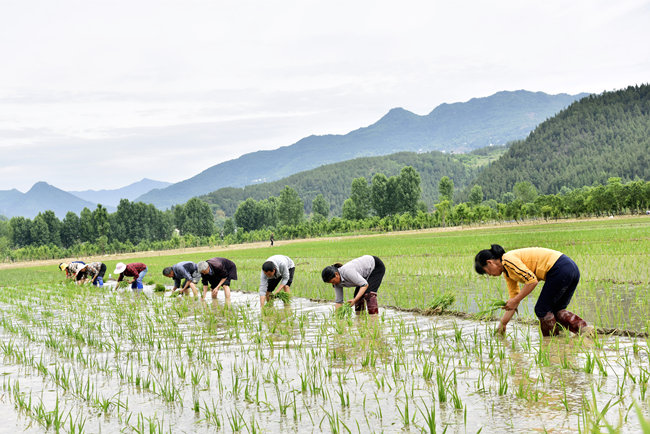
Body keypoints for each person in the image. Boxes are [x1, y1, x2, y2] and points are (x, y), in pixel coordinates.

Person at [474, 244, 594, 336]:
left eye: (486, 271)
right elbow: (513, 300)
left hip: (559, 268)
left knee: (541, 309)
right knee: (555, 310)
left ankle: (551, 342)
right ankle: (585, 330)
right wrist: (503, 323)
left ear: (489, 262)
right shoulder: (508, 273)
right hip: (570, 268)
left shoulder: (508, 260)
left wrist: (515, 300)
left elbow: (532, 281)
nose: (489, 275)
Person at [321, 255, 385, 315]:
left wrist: (354, 300)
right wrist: (338, 317)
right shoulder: (336, 283)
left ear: (336, 274)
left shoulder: (347, 272)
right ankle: (360, 318)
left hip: (375, 266)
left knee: (369, 294)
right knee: (358, 296)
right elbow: (339, 301)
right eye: (331, 283)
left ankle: (373, 319)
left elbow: (364, 285)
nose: (333, 284)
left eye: (333, 281)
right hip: (363, 273)